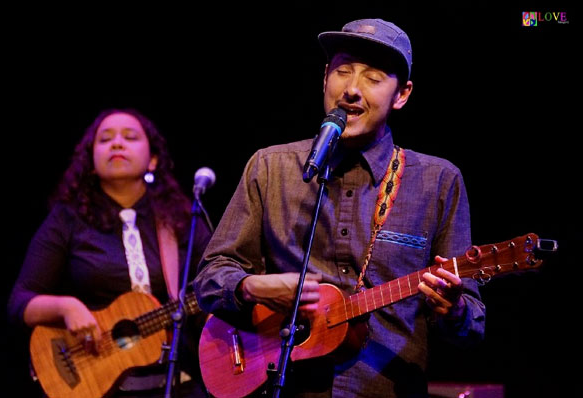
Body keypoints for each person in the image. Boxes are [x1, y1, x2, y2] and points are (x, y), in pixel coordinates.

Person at [193, 18, 486, 398]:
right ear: (324, 78)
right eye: (342, 71)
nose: (350, 89)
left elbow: (473, 325)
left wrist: (453, 308)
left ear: (402, 95)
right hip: (279, 385)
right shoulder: (270, 167)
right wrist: (251, 287)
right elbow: (209, 279)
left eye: (373, 78)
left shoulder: (438, 181)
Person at [8, 108, 211, 397]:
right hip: (98, 386)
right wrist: (66, 308)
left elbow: (221, 278)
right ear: (91, 161)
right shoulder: (67, 220)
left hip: (177, 385)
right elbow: (20, 302)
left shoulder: (180, 219)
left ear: (153, 160)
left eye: (130, 137)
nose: (117, 144)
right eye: (105, 139)